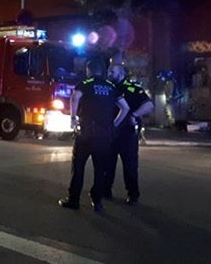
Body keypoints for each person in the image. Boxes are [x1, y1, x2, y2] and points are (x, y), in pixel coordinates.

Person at [59, 58, 129, 212]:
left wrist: (73, 118)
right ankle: (97, 202)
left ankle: (74, 200)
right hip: (104, 135)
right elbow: (125, 108)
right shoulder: (111, 86)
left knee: (78, 167)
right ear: (102, 71)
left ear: (88, 70)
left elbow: (75, 98)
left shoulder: (85, 83)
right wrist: (115, 124)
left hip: (86, 132)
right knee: (100, 169)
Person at [105, 64, 154, 205]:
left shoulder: (132, 88)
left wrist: (134, 114)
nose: (109, 74)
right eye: (109, 71)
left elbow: (149, 105)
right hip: (110, 132)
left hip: (127, 133)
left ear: (121, 73)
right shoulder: (108, 87)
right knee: (107, 164)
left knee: (130, 166)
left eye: (112, 71)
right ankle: (105, 190)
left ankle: (133, 195)